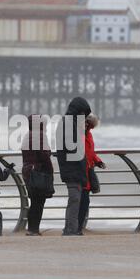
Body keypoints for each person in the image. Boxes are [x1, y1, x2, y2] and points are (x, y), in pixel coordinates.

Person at [56, 97, 92, 236]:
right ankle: (70, 229)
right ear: (79, 111)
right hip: (72, 169)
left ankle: (70, 228)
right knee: (74, 200)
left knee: (75, 200)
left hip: (71, 168)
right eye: (83, 114)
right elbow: (72, 148)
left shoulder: (68, 123)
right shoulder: (69, 124)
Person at [22, 115, 54, 236]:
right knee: (39, 202)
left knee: (34, 201)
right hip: (37, 172)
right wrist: (50, 170)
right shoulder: (39, 135)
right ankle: (34, 230)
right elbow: (43, 155)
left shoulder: (28, 134)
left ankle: (31, 229)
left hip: (27, 171)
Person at [78, 114, 106, 235]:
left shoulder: (88, 134)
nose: (91, 128)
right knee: (81, 201)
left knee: (84, 201)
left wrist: (98, 161)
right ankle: (77, 227)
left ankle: (78, 226)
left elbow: (91, 152)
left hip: (88, 171)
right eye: (91, 126)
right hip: (81, 172)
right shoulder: (79, 135)